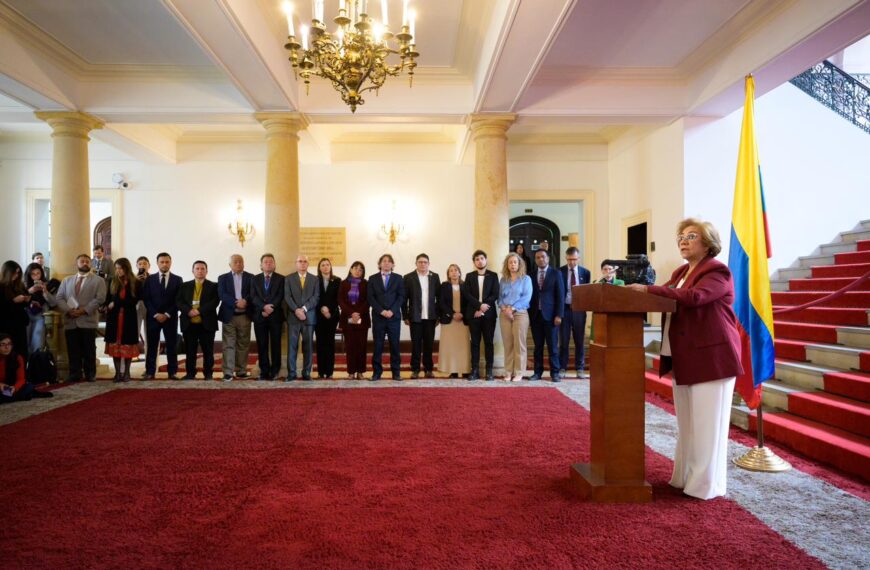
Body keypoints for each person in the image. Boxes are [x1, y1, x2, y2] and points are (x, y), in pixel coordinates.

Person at [627, 218, 743, 500]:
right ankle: (686, 477)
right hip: (686, 356)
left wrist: (648, 290)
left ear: (707, 243)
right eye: (681, 235)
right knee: (688, 424)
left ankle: (704, 485)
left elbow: (694, 297)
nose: (683, 239)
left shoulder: (718, 271)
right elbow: (667, 295)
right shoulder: (681, 270)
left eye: (691, 236)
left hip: (713, 357)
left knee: (707, 424)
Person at [55, 254, 107, 382]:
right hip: (70, 320)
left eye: (87, 261)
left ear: (91, 264)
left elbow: (100, 298)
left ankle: (90, 374)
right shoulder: (66, 280)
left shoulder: (98, 280)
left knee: (89, 350)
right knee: (73, 350)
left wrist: (84, 310)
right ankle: (75, 374)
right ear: (76, 264)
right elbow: (59, 298)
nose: (85, 263)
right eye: (82, 261)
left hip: (87, 320)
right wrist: (69, 310)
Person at [142, 252, 182, 380]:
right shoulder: (150, 279)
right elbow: (146, 299)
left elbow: (178, 300)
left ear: (171, 263)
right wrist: (155, 314)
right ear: (157, 263)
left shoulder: (177, 279)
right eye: (162, 262)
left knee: (172, 345)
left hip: (170, 317)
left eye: (167, 262)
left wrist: (166, 314)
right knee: (152, 346)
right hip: (153, 317)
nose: (164, 264)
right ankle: (150, 372)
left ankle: (172, 372)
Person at [177, 260, 219, 380]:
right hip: (189, 324)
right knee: (190, 351)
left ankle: (208, 373)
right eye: (197, 269)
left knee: (208, 351)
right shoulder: (184, 285)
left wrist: (199, 311)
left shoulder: (213, 286)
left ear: (206, 271)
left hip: (207, 324)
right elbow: (179, 301)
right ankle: (190, 373)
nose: (200, 271)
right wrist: (188, 310)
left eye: (202, 269)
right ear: (193, 271)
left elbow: (215, 302)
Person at [462, 250, 499, 381]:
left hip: (488, 315)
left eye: (482, 258)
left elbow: (495, 294)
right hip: (473, 315)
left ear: (486, 260)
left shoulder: (493, 276)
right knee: (475, 343)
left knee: (489, 342)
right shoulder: (469, 276)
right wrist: (478, 306)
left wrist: (483, 308)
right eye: (477, 259)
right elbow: (467, 294)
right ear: (474, 262)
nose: (480, 261)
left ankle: (489, 371)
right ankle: (475, 370)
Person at [529, 249, 564, 382]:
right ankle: (537, 372)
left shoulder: (556, 273)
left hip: (551, 317)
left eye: (543, 257)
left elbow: (560, 296)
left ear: (548, 258)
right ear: (535, 260)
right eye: (537, 257)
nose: (540, 259)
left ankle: (555, 372)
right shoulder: (531, 275)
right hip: (535, 316)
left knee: (552, 346)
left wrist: (559, 315)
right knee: (538, 347)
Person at [403, 253, 440, 379]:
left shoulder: (435, 277)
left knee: (429, 344)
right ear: (416, 264)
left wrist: (438, 315)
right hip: (415, 317)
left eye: (425, 262)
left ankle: (429, 369)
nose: (422, 264)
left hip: (430, 317)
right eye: (420, 262)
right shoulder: (408, 277)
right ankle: (415, 369)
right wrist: (405, 316)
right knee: (416, 344)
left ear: (429, 264)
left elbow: (439, 298)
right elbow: (404, 299)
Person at [104, 258, 141, 382]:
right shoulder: (112, 281)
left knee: (127, 345)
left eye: (120, 268)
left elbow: (134, 300)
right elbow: (108, 298)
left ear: (126, 268)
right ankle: (117, 373)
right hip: (114, 318)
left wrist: (116, 303)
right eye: (116, 268)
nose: (118, 270)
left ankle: (127, 373)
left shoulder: (135, 282)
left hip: (128, 317)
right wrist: (104, 306)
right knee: (115, 346)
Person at [217, 254, 254, 381]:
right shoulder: (223, 278)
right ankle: (228, 372)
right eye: (235, 262)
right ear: (230, 264)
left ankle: (241, 370)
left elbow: (253, 293)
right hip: (229, 315)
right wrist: (235, 302)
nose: (238, 264)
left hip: (245, 315)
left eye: (240, 261)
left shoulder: (251, 277)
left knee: (243, 344)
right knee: (229, 344)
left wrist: (246, 301)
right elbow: (222, 294)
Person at [368, 253, 404, 381]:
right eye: (384, 261)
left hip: (393, 318)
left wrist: (392, 311)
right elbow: (370, 298)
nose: (386, 263)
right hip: (379, 317)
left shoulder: (399, 278)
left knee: (395, 345)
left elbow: (401, 297)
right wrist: (381, 311)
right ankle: (377, 372)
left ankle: (396, 372)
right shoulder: (372, 278)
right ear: (380, 264)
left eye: (389, 261)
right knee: (378, 345)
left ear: (393, 264)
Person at [499, 253, 532, 382]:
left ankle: (519, 372)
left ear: (519, 264)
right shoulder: (503, 280)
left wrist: (511, 309)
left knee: (519, 344)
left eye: (515, 262)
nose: (512, 264)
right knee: (508, 344)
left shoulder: (526, 279)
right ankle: (508, 371)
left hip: (520, 313)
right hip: (504, 314)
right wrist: (504, 308)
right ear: (507, 265)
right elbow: (500, 297)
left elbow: (526, 297)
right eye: (510, 262)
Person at [251, 254, 285, 381]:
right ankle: (264, 371)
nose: (268, 264)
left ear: (275, 264)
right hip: (260, 316)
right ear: (261, 265)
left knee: (276, 344)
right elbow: (253, 296)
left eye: (271, 262)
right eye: (265, 262)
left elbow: (280, 295)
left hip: (275, 316)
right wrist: (263, 308)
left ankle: (275, 371)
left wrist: (270, 308)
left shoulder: (281, 279)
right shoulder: (254, 279)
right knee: (262, 344)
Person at [285, 255, 319, 381]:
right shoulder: (289, 278)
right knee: (292, 346)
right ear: (296, 263)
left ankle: (306, 373)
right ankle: (292, 373)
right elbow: (287, 297)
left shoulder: (314, 279)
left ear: (308, 264)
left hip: (308, 317)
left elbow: (316, 297)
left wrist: (304, 309)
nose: (303, 264)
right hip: (293, 317)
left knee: (308, 347)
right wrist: (296, 310)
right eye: (300, 261)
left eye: (305, 262)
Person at [560, 246, 591, 378]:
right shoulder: (559, 271)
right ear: (566, 258)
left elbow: (587, 292)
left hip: (579, 310)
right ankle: (562, 367)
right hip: (565, 309)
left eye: (574, 259)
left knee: (579, 340)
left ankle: (580, 368)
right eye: (569, 259)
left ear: (578, 258)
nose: (572, 262)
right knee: (564, 340)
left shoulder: (585, 272)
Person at [438, 264, 471, 378]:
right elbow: (441, 303)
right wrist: (452, 314)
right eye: (451, 271)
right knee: (451, 347)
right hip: (449, 321)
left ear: (459, 272)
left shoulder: (466, 286)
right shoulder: (444, 286)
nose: (453, 272)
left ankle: (466, 370)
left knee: (463, 347)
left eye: (456, 270)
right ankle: (454, 371)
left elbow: (469, 302)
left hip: (463, 320)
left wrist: (462, 314)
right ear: (448, 274)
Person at [0, 334, 53, 403]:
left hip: (10, 387)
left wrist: (14, 388)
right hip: (1, 387)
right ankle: (22, 396)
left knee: (28, 386)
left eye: (9, 344)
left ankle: (12, 397)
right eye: (3, 344)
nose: (7, 347)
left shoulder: (17, 358)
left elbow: (21, 379)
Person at [315, 258, 341, 379]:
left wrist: (329, 310)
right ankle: (321, 371)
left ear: (330, 267)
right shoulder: (315, 280)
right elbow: (314, 296)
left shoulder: (337, 280)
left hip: (332, 316)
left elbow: (338, 299)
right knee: (320, 343)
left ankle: (329, 371)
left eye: (327, 265)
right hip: (318, 316)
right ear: (319, 268)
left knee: (330, 343)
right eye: (323, 265)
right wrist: (322, 309)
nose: (325, 267)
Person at [0, 261, 30, 360]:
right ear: (7, 272)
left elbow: (24, 303)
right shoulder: (1, 286)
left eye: (18, 273)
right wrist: (13, 301)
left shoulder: (19, 285)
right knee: (7, 354)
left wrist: (28, 300)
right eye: (14, 273)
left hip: (19, 324)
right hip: (6, 326)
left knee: (21, 353)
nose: (16, 276)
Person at [24, 262, 54, 354]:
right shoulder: (23, 285)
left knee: (38, 341)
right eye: (33, 274)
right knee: (26, 340)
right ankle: (27, 365)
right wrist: (29, 291)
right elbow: (19, 300)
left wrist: (45, 291)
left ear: (41, 273)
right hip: (26, 315)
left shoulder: (47, 284)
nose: (36, 276)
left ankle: (36, 363)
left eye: (38, 273)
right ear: (29, 275)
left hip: (40, 316)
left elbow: (53, 303)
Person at [135, 256, 151, 360]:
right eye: (140, 264)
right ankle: (131, 358)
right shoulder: (131, 278)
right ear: (136, 266)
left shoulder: (153, 278)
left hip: (150, 306)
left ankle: (150, 362)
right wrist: (135, 281)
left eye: (145, 264)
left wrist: (147, 281)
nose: (142, 266)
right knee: (134, 332)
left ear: (149, 266)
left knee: (149, 334)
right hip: (136, 306)